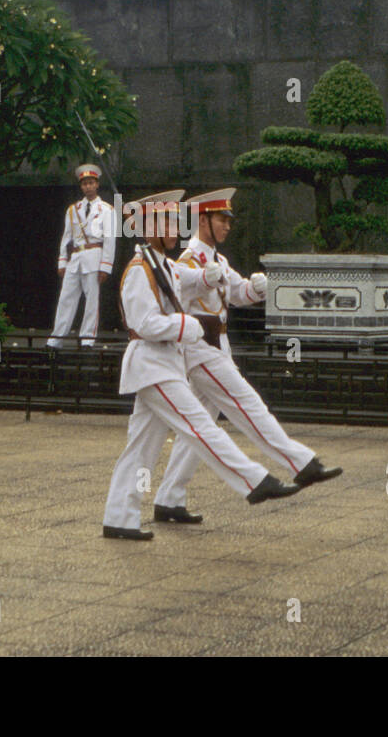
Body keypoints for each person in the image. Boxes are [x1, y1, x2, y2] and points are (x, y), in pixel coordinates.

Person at [102, 190, 299, 541]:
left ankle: (120, 517)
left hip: (165, 365)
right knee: (200, 428)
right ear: (150, 228)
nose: (176, 228)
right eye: (168, 222)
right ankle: (254, 482)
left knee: (141, 447)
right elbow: (144, 324)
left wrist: (209, 277)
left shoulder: (163, 265)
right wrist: (188, 326)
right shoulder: (138, 270)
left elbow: (189, 280)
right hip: (152, 365)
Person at [152, 188, 343, 525]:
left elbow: (236, 293)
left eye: (229, 220)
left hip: (216, 348)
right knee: (248, 404)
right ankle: (302, 464)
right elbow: (175, 291)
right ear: (203, 220)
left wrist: (255, 288)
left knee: (200, 426)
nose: (227, 226)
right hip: (201, 350)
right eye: (221, 219)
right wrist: (200, 280)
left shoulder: (219, 260)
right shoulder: (186, 260)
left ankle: (169, 498)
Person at [47, 163, 116, 349]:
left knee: (91, 301)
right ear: (81, 186)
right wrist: (62, 261)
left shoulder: (106, 210)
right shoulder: (73, 209)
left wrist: (105, 266)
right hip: (75, 258)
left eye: (91, 182)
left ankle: (87, 339)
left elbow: (109, 240)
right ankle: (56, 338)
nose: (88, 186)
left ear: (97, 184)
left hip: (94, 257)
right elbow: (66, 237)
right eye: (84, 183)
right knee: (65, 299)